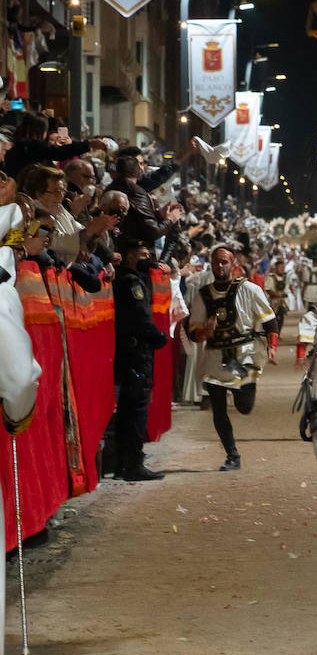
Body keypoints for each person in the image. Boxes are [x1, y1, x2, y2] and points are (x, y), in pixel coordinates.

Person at [188, 244, 280, 470]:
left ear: (233, 264)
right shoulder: (204, 295)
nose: (219, 266)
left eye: (224, 262)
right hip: (214, 359)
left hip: (242, 358)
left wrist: (272, 345)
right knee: (218, 409)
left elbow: (270, 320)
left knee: (244, 406)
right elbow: (193, 332)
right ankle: (232, 455)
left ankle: (246, 388)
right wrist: (203, 332)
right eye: (216, 262)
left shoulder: (249, 289)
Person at [112, 237, 169, 480]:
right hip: (137, 354)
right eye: (144, 255)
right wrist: (160, 337)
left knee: (128, 408)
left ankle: (124, 463)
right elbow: (141, 318)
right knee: (136, 409)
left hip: (129, 352)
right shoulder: (131, 282)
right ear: (132, 255)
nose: (148, 260)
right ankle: (133, 464)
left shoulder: (129, 279)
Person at [108, 152, 184, 249]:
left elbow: (135, 220)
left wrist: (159, 215)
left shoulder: (110, 188)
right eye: (141, 164)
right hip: (133, 251)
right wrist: (171, 219)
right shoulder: (137, 193)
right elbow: (154, 232)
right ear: (139, 170)